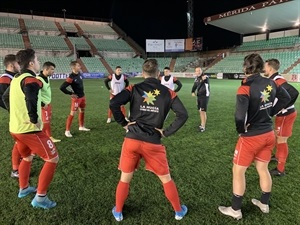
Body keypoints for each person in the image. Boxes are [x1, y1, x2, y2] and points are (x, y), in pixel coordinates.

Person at [110, 59, 188, 222]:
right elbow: (183, 114)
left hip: (132, 139)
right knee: (166, 178)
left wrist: (124, 123)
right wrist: (166, 132)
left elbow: (114, 102)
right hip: (153, 141)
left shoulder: (134, 88)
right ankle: (178, 211)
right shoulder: (168, 92)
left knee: (125, 177)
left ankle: (118, 212)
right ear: (158, 74)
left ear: (143, 73)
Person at [218, 53, 291, 220]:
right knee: (263, 168)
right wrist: (270, 112)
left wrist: (241, 130)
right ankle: (264, 204)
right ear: (261, 68)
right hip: (268, 134)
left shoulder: (245, 87)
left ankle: (236, 210)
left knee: (238, 171)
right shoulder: (271, 82)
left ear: (245, 67)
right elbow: (287, 97)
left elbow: (239, 117)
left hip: (251, 137)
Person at [3, 48, 59, 209]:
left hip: (15, 128)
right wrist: (33, 119)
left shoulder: (16, 78)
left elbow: (5, 97)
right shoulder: (30, 79)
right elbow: (31, 96)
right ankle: (40, 197)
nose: (39, 63)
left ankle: (24, 188)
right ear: (32, 63)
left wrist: (15, 114)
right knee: (52, 158)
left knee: (27, 157)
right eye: (37, 60)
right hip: (29, 130)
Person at [264, 58, 299, 176]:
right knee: (278, 137)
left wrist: (283, 107)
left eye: (265, 66)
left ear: (270, 68)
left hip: (286, 115)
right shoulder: (272, 80)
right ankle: (277, 156)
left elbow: (293, 93)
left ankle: (280, 170)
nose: (263, 68)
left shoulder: (277, 80)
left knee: (282, 140)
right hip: (282, 115)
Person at [0, 54, 22, 178]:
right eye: (18, 63)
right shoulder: (5, 78)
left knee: (22, 140)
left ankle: (23, 158)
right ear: (12, 65)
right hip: (16, 115)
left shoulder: (15, 77)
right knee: (19, 141)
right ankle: (15, 169)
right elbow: (3, 98)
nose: (20, 65)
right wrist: (12, 110)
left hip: (19, 114)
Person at [60, 60, 90, 137]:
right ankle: (67, 131)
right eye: (78, 66)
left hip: (82, 97)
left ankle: (81, 126)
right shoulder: (71, 77)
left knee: (82, 110)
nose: (80, 67)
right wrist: (71, 93)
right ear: (73, 67)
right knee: (72, 113)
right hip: (76, 99)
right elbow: (62, 87)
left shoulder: (79, 74)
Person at [37, 61, 61, 143]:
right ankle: (45, 137)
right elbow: (35, 95)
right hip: (43, 105)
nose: (53, 71)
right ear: (46, 69)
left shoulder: (47, 77)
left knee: (47, 122)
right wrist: (42, 104)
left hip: (48, 104)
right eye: (52, 69)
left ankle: (45, 137)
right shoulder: (38, 80)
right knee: (45, 122)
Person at [191, 66, 210, 132]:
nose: (198, 72)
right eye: (196, 71)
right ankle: (202, 124)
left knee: (203, 111)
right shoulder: (196, 78)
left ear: (201, 71)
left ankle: (203, 126)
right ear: (195, 72)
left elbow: (202, 80)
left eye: (199, 70)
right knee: (200, 111)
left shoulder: (205, 77)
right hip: (199, 96)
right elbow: (195, 85)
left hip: (204, 96)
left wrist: (201, 79)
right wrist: (192, 91)